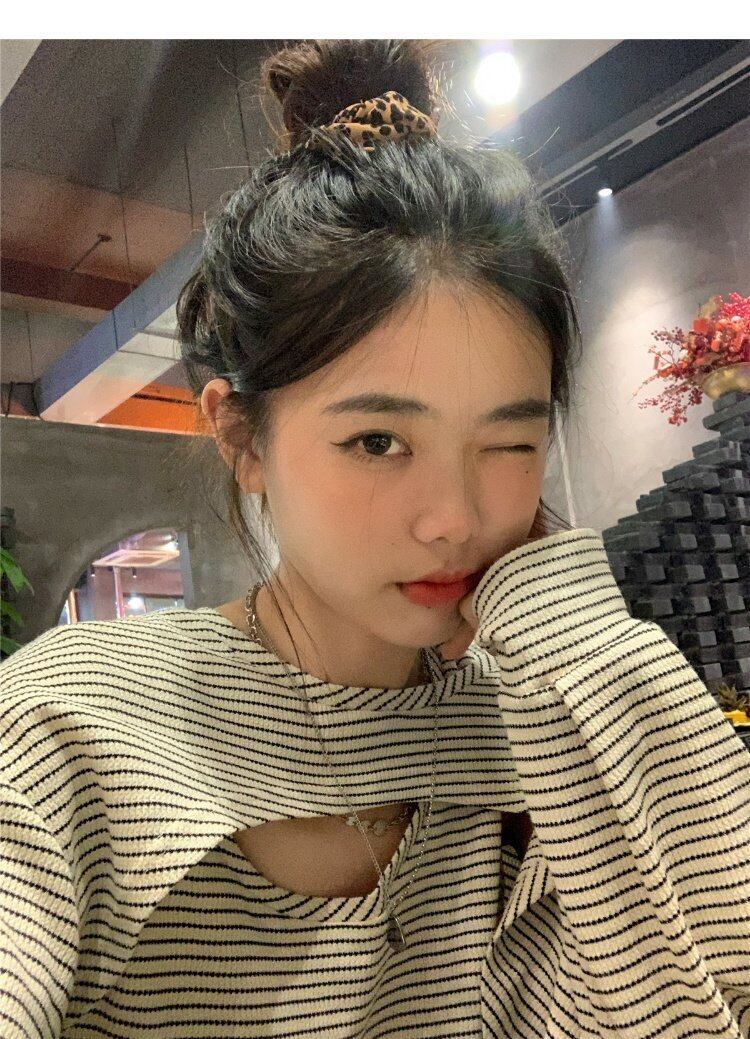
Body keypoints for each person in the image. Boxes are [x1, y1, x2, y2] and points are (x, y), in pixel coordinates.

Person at [2, 38, 749, 1039]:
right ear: (243, 437)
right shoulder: (73, 723)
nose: (454, 517)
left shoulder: (542, 725)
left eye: (509, 441)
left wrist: (566, 626)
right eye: (378, 440)